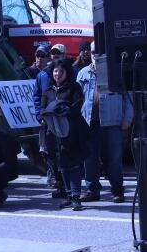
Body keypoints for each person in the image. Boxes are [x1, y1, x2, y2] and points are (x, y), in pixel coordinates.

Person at [77, 42, 131, 203]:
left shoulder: (116, 71)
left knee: (114, 159)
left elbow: (129, 96)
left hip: (112, 123)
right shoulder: (82, 73)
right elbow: (76, 98)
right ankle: (92, 190)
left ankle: (117, 191)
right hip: (89, 123)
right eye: (93, 51)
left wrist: (128, 117)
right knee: (90, 159)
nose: (95, 54)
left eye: (99, 51)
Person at [41, 59, 89, 211]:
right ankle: (68, 195)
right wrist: (44, 115)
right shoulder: (47, 90)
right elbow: (41, 108)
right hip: (53, 133)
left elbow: (77, 105)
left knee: (73, 164)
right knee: (61, 165)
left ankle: (76, 197)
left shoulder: (74, 87)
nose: (58, 73)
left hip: (72, 132)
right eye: (55, 71)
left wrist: (62, 110)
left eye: (61, 71)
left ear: (67, 72)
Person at [33, 43, 65, 195]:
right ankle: (53, 179)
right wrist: (39, 114)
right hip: (47, 120)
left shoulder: (67, 72)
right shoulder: (42, 75)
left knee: (63, 151)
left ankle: (65, 182)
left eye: (58, 53)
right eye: (53, 53)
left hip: (62, 120)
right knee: (47, 151)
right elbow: (37, 97)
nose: (55, 56)